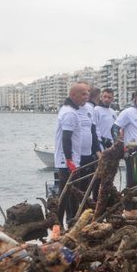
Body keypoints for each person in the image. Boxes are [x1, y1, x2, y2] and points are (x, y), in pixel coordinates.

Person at [54, 83, 89, 226]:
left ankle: (70, 222)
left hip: (72, 160)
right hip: (67, 161)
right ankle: (58, 225)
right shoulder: (69, 113)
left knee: (70, 193)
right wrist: (69, 160)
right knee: (67, 194)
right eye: (83, 94)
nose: (86, 97)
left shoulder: (70, 110)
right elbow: (66, 138)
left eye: (87, 94)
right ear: (73, 95)